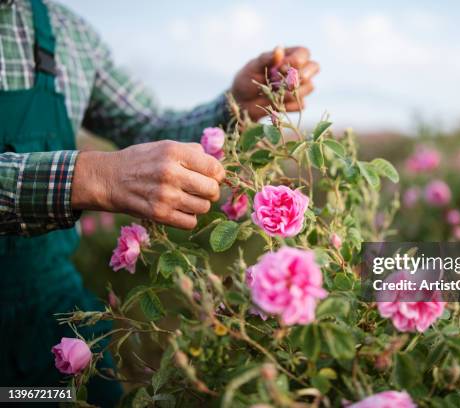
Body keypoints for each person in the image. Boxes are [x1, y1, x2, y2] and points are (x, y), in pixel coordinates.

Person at [0, 0, 319, 406]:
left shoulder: (66, 32)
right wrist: (88, 177)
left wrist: (236, 103)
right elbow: (102, 171)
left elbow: (148, 128)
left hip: (46, 304)